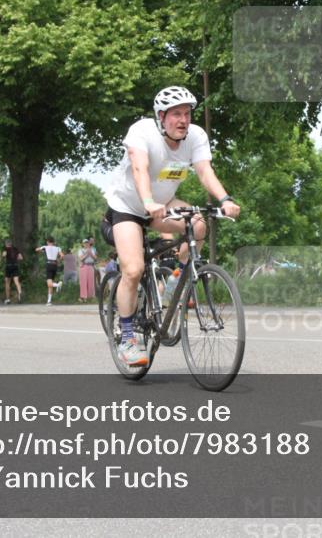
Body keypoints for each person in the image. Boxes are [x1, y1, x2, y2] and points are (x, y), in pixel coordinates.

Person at [103, 86, 240, 366]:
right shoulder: (143, 131)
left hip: (162, 204)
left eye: (187, 114)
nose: (183, 120)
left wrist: (225, 198)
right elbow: (140, 167)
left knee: (199, 224)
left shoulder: (196, 137)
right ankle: (127, 337)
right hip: (129, 207)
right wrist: (149, 202)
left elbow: (204, 170)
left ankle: (178, 279)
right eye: (176, 114)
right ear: (161, 117)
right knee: (133, 269)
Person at [35, 236, 63, 305]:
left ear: (47, 242)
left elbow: (36, 250)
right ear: (53, 242)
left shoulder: (45, 247)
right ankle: (49, 301)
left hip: (49, 264)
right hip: (55, 265)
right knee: (50, 284)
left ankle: (57, 285)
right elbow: (62, 255)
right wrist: (58, 260)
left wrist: (42, 250)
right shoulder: (58, 248)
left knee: (49, 283)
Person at [1, 240, 24, 304]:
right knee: (16, 281)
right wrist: (15, 259)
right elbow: (21, 258)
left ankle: (8, 299)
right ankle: (19, 293)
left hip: (8, 266)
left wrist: (4, 256)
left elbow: (4, 255)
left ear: (6, 244)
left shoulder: (5, 249)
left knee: (7, 282)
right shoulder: (15, 249)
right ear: (11, 244)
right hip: (15, 266)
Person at [78, 239, 98, 303]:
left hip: (91, 266)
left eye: (87, 243)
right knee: (83, 282)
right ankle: (83, 297)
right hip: (84, 266)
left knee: (91, 282)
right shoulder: (81, 250)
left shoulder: (92, 250)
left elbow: (96, 258)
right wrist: (87, 253)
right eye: (84, 243)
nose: (86, 244)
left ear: (89, 243)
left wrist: (91, 253)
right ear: (83, 244)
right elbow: (81, 258)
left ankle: (91, 297)